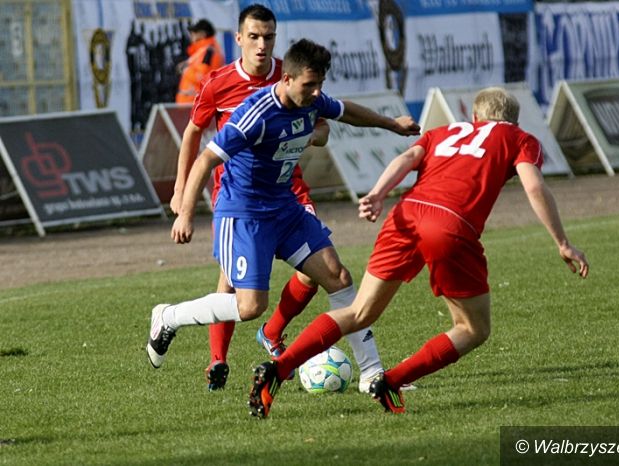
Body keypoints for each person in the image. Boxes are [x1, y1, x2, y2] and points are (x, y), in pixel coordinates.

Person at [247, 87, 589, 418]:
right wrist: (562, 242)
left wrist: (378, 193)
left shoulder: (444, 131)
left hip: (405, 215)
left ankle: (279, 368)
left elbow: (407, 158)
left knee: (359, 311)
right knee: (473, 329)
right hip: (449, 225)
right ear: (514, 121)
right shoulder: (519, 138)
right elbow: (534, 185)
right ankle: (392, 381)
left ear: (474, 116)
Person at [147, 39, 421, 392]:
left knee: (338, 277)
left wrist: (391, 124)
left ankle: (372, 375)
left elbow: (345, 111)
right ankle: (169, 316)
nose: (317, 92)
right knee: (249, 306)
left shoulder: (311, 98)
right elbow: (205, 160)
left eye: (320, 84)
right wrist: (185, 213)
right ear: (287, 79)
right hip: (244, 213)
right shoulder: (255, 114)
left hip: (285, 207)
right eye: (310, 85)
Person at [175, 19, 224, 104]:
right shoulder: (203, 50)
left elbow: (201, 77)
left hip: (195, 103)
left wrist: (185, 70)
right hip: (192, 102)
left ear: (203, 34)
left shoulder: (208, 51)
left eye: (194, 32)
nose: (191, 35)